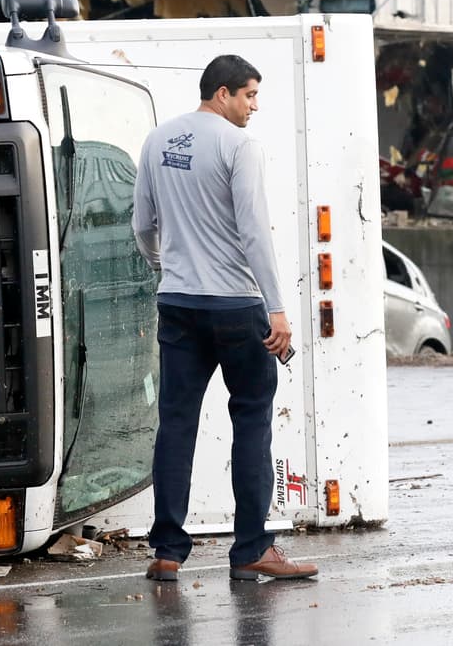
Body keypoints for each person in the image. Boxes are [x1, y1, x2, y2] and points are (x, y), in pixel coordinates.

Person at [131, 54, 317, 583]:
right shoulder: (239, 146)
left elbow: (142, 223)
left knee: (176, 424)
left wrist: (164, 267)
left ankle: (167, 551)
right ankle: (251, 550)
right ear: (221, 94)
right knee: (253, 419)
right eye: (249, 95)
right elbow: (255, 231)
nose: (254, 106)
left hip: (179, 304)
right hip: (236, 305)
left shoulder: (157, 141)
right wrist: (276, 308)